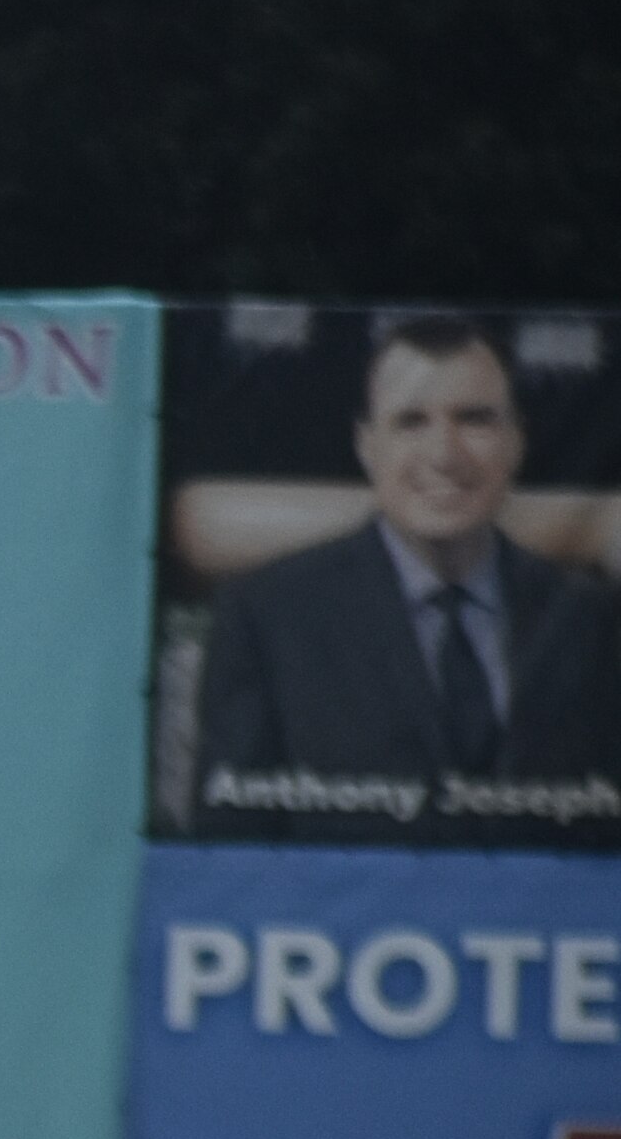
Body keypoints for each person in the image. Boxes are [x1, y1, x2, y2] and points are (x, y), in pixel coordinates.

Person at [194, 316, 621, 838]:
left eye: (475, 420)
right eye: (411, 422)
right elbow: (227, 848)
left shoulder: (590, 620)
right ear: (367, 445)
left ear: (516, 442)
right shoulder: (266, 619)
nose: (444, 455)